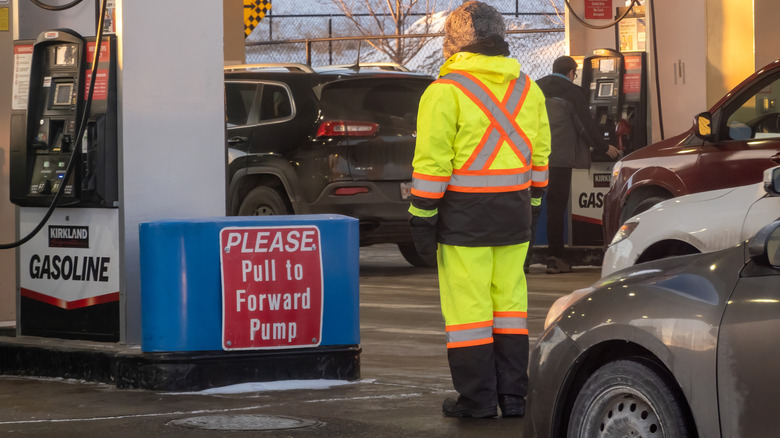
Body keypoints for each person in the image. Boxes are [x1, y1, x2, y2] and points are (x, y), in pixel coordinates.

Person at [408, 1, 551, 419]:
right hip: (515, 215)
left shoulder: (445, 92)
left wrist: (421, 218)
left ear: (453, 44)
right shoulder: (529, 89)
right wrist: (535, 210)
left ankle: (477, 400)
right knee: (510, 307)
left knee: (469, 312)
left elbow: (432, 164)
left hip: (463, 221)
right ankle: (512, 396)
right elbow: (539, 160)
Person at [534, 56, 620, 274]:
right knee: (556, 207)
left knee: (531, 207)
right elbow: (585, 126)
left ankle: (523, 260)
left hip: (534, 157)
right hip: (560, 159)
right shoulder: (573, 93)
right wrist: (603, 147)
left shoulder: (535, 88)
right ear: (572, 72)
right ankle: (555, 258)